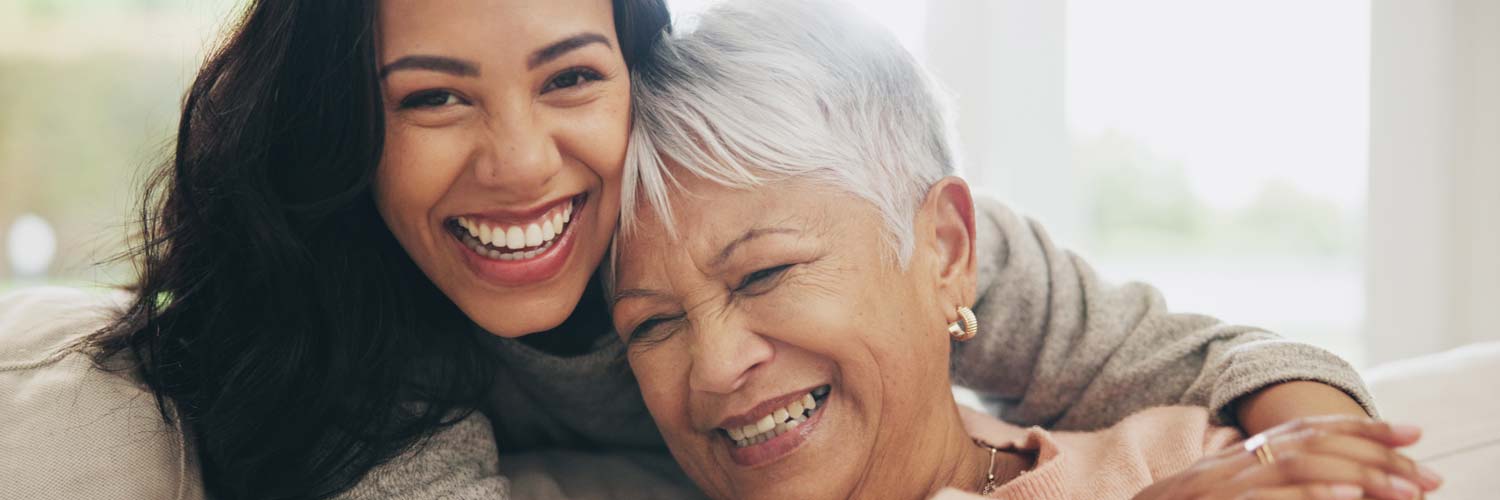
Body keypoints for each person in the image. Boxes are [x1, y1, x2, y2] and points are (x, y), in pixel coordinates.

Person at [0, 0, 1376, 498]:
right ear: (348, 130)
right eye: (431, 96)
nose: (523, 162)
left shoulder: (812, 212)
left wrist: (1306, 466)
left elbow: (1207, 354)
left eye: (571, 78)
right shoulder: (362, 354)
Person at [607, 1, 1442, 498]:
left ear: (944, 250)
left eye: (765, 272)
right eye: (651, 325)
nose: (714, 366)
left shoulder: (1188, 465)